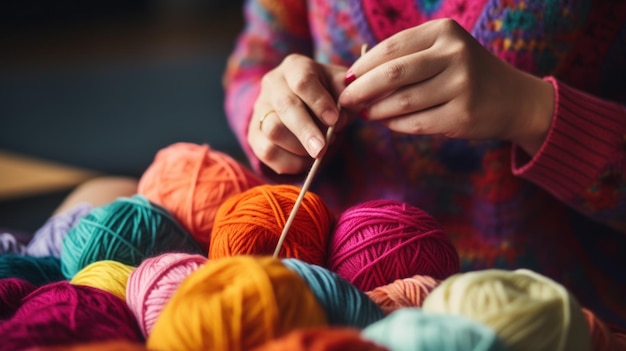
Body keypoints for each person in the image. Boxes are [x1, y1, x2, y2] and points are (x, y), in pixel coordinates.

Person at [222, 0, 626, 327]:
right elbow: (257, 57)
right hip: (339, 305)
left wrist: (532, 110)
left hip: (554, 323)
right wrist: (273, 114)